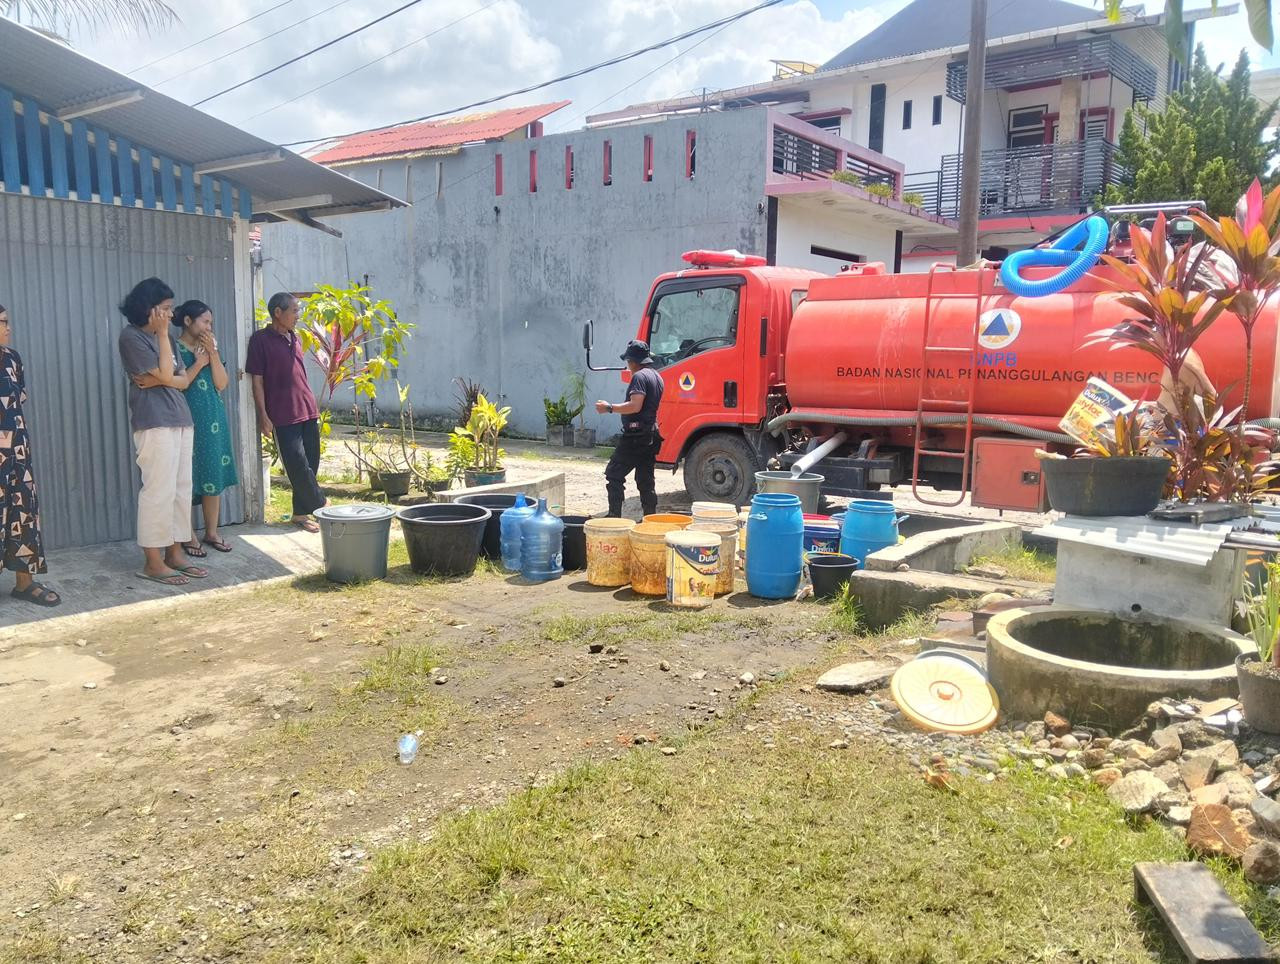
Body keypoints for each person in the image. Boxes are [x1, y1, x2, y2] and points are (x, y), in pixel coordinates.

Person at [118, 278, 209, 587]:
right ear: (149, 308)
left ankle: (175, 553)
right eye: (166, 309)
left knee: (180, 489)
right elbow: (173, 375)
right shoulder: (131, 338)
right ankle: (152, 562)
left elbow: (182, 381)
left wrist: (159, 378)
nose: (171, 316)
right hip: (154, 421)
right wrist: (165, 367)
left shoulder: (165, 337)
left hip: (180, 419)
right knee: (158, 491)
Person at [245, 292, 326, 532]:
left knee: (312, 462)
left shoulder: (296, 338)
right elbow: (257, 381)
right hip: (282, 414)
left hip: (307, 409)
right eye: (294, 310)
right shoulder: (260, 340)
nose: (298, 315)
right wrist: (263, 415)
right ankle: (322, 505)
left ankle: (300, 514)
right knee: (297, 464)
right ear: (277, 313)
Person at [0, 304, 59, 606]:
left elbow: (18, 398)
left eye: (8, 320)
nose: (8, 327)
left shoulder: (12, 359)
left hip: (17, 454)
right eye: (3, 321)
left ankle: (25, 584)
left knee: (23, 515)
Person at [174, 300, 238, 555]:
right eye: (205, 321)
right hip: (186, 418)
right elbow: (179, 383)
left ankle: (212, 532)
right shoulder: (174, 348)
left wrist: (212, 354)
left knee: (212, 471)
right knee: (186, 477)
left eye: (211, 323)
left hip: (213, 417)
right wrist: (198, 362)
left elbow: (221, 384)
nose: (209, 327)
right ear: (188, 321)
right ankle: (187, 535)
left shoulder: (210, 348)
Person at [595, 339, 665, 518]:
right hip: (650, 434)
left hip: (636, 436)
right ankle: (650, 518)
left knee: (614, 473)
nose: (628, 366)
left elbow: (635, 405)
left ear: (633, 361)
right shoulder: (656, 376)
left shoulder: (639, 377)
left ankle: (614, 517)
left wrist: (609, 407)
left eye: (628, 362)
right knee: (645, 480)